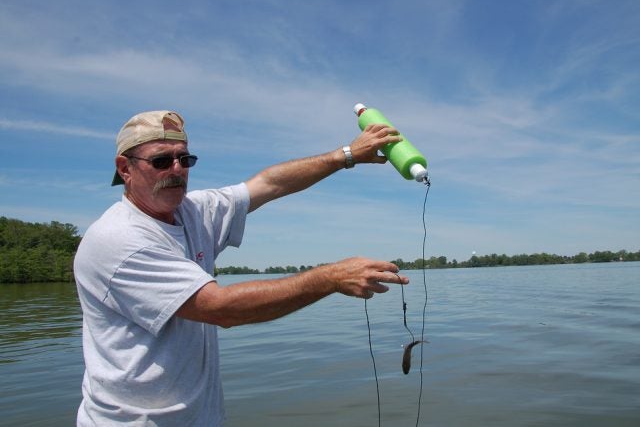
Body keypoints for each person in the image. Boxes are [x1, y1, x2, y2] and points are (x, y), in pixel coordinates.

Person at [74, 110, 408, 426]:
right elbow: (222, 309)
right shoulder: (120, 240)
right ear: (125, 168)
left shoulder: (193, 211)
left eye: (185, 159)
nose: (177, 169)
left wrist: (346, 155)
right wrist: (330, 277)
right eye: (161, 160)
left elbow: (269, 184)